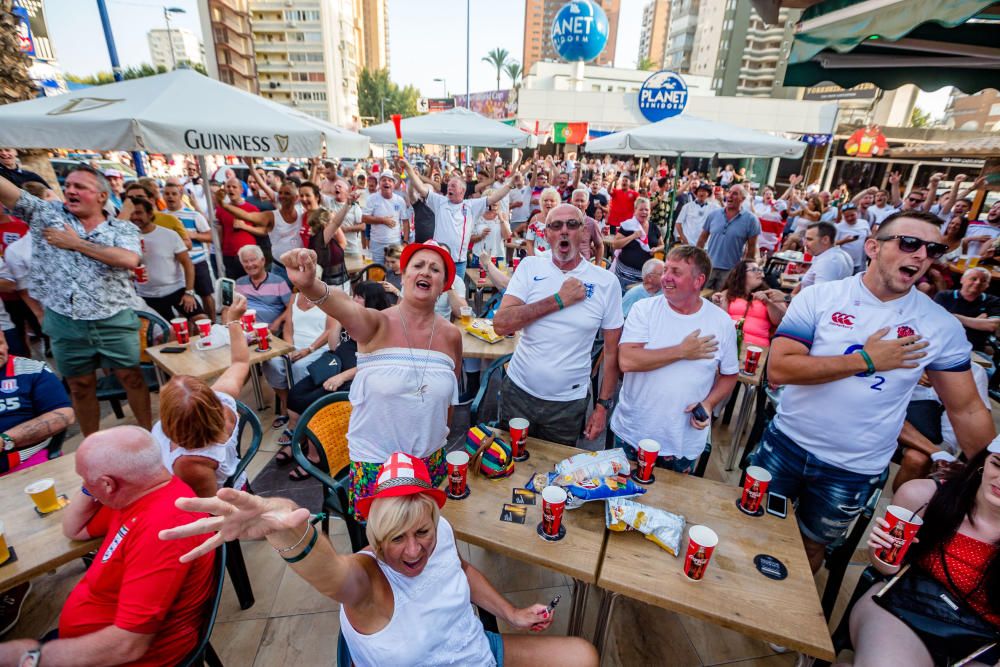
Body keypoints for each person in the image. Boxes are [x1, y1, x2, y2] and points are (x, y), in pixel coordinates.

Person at [159, 451, 599, 667]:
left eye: (421, 532)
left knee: (582, 654)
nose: (413, 550)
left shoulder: (440, 531)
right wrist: (287, 530)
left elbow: (459, 569)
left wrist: (513, 613)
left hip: (478, 651)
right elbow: (332, 575)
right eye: (395, 538)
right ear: (375, 534)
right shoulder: (367, 581)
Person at [755, 210, 996, 573]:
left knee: (810, 546)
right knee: (752, 522)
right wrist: (867, 360)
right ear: (872, 247)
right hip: (786, 442)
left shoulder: (939, 325)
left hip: (853, 466)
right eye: (909, 243)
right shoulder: (820, 297)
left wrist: (988, 469)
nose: (920, 256)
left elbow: (967, 410)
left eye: (932, 249)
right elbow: (781, 368)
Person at [0, 426, 214, 666]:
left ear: (109, 484)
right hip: (94, 638)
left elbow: (128, 646)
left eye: (85, 481)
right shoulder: (139, 492)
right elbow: (75, 530)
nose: (84, 488)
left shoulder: (164, 530)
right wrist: (92, 485)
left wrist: (31, 656)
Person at [279, 241, 462, 515]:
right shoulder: (377, 323)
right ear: (403, 275)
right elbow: (344, 308)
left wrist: (439, 442)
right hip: (378, 464)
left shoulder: (451, 335)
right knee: (381, 547)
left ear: (445, 284)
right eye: (418, 266)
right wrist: (310, 285)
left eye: (435, 269)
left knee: (421, 543)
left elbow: (449, 402)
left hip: (429, 461)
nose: (426, 272)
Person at [0, 165, 151, 436]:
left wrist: (76, 243)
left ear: (102, 196)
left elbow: (129, 259)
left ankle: (149, 436)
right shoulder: (47, 214)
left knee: (132, 377)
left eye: (80, 186)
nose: (70, 190)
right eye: (67, 185)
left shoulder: (122, 228)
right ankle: (92, 445)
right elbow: (9, 193)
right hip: (65, 320)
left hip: (113, 317)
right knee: (80, 387)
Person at [846, 441, 1000, 667]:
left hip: (983, 640)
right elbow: (884, 569)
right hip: (906, 607)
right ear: (983, 462)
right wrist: (882, 550)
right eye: (997, 465)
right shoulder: (925, 497)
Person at [493, 203, 623, 446]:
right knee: (510, 462)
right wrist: (558, 300)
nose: (564, 231)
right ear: (546, 234)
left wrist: (603, 406)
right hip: (519, 392)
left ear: (584, 232)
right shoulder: (530, 267)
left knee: (554, 473)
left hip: (568, 402)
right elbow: (501, 324)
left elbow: (612, 351)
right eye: (556, 225)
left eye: (572, 225)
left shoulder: (606, 282)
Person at [613, 246, 738, 473]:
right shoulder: (644, 309)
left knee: (669, 506)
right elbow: (628, 361)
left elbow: (730, 374)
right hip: (634, 432)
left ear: (698, 280)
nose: (666, 278)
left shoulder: (721, 322)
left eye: (676, 272)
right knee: (621, 503)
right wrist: (682, 351)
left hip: (682, 439)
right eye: (666, 270)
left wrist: (709, 404)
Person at [281, 281, 392, 479]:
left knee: (317, 404)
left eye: (359, 296)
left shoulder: (379, 325)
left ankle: (313, 457)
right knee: (296, 395)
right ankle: (298, 440)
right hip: (334, 364)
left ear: (371, 301)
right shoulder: (351, 319)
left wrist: (343, 376)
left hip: (356, 375)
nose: (353, 299)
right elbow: (334, 346)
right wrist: (339, 318)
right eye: (353, 295)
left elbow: (376, 362)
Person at [154, 293, 252, 498]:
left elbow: (210, 508)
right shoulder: (222, 402)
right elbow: (241, 362)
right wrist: (233, 319)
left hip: (218, 505)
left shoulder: (191, 463)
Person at [401, 155, 520, 279]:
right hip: (439, 260)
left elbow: (495, 197)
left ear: (462, 191)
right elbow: (420, 188)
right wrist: (409, 169)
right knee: (437, 295)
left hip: (459, 262)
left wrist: (510, 184)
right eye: (448, 186)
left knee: (457, 295)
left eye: (453, 186)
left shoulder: (471, 205)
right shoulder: (439, 201)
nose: (449, 188)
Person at [263, 267, 338, 443]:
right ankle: (286, 404)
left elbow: (330, 331)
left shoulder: (329, 298)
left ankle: (299, 417)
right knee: (271, 363)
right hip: (294, 346)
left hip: (319, 347)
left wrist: (309, 349)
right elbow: (288, 328)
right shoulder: (294, 298)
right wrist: (290, 348)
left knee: (299, 367)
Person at [128, 198, 202, 324]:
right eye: (131, 213)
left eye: (139, 213)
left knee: (200, 320)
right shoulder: (127, 238)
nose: (135, 217)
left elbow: (187, 263)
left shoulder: (169, 235)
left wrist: (189, 292)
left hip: (176, 289)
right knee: (165, 333)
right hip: (147, 295)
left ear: (150, 214)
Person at [216, 180, 303, 284]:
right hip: (279, 268)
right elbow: (247, 216)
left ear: (296, 197)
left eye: (287, 193)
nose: (282, 196)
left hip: (301, 268)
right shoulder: (271, 215)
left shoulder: (303, 213)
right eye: (280, 193)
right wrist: (224, 205)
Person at [163, 181, 215, 318]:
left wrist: (193, 235)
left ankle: (213, 323)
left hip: (197, 262)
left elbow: (211, 237)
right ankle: (190, 331)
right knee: (181, 299)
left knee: (206, 294)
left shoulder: (194, 215)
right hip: (174, 265)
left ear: (180, 195)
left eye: (174, 194)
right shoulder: (161, 217)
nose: (170, 197)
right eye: (167, 194)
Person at [697, 185, 760, 291]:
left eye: (735, 193)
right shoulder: (714, 215)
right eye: (729, 192)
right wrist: (698, 260)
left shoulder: (751, 220)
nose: (730, 196)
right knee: (701, 297)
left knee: (722, 302)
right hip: (709, 267)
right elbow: (702, 239)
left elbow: (751, 248)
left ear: (743, 199)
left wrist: (744, 270)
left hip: (731, 271)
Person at [711, 259, 786, 348]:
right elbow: (720, 322)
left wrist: (768, 303)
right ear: (741, 274)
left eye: (760, 270)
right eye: (754, 270)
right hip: (731, 343)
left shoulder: (770, 294)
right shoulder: (727, 294)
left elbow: (781, 321)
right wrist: (717, 305)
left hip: (758, 347)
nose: (759, 273)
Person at [933, 267, 1000, 353]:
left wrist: (953, 317)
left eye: (983, 281)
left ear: (987, 285)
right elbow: (936, 322)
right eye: (973, 279)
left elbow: (992, 325)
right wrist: (977, 322)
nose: (978, 282)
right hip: (942, 345)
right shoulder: (944, 296)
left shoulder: (993, 300)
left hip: (974, 349)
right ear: (962, 280)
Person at [228, 245, 291, 335]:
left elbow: (291, 307)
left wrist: (278, 321)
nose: (250, 264)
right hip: (245, 331)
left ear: (263, 261)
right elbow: (233, 307)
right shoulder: (239, 283)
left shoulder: (278, 282)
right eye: (245, 261)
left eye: (253, 260)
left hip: (269, 332)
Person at [611, 197, 664, 292]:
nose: (644, 212)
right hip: (624, 276)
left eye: (646, 209)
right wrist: (632, 236)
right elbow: (615, 245)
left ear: (650, 211)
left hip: (644, 276)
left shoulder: (653, 227)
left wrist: (656, 249)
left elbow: (662, 245)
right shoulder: (628, 226)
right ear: (635, 210)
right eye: (641, 209)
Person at [119, 181, 191, 249]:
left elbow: (188, 244)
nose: (135, 200)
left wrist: (164, 246)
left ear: (151, 200)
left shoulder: (170, 219)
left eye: (140, 197)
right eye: (130, 198)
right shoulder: (122, 222)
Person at [216, 178, 259, 279]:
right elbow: (220, 233)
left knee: (250, 285)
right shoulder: (220, 209)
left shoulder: (252, 209)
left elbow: (262, 232)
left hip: (249, 256)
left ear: (241, 190)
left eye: (234, 187)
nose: (231, 189)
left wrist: (244, 226)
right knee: (231, 287)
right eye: (228, 187)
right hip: (228, 255)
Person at [795, 221, 854, 294]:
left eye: (809, 239)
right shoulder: (831, 254)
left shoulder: (828, 262)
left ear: (825, 240)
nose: (805, 244)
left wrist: (787, 298)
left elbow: (820, 298)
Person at [361, 171, 406, 265]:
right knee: (377, 273)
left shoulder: (400, 200)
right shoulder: (372, 198)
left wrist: (405, 242)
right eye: (383, 180)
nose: (386, 182)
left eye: (390, 180)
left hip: (395, 243)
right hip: (377, 243)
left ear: (394, 185)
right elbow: (364, 218)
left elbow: (405, 222)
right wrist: (383, 220)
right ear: (379, 184)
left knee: (394, 273)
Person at [570, 187, 604, 264]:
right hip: (564, 266)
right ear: (571, 202)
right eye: (577, 200)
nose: (579, 204)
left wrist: (597, 266)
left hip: (583, 266)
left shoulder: (592, 223)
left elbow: (600, 246)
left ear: (587, 204)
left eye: (582, 201)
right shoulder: (563, 220)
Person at [835, 202, 871, 274]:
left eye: (852, 215)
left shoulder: (864, 223)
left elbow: (868, 237)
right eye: (846, 216)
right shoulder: (838, 227)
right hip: (845, 263)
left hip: (861, 262)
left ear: (857, 213)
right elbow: (832, 244)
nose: (850, 218)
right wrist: (844, 241)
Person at [524, 187, 560, 256]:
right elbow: (529, 242)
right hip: (537, 259)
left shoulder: (561, 220)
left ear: (557, 203)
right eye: (545, 200)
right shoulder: (535, 219)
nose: (548, 203)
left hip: (555, 260)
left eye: (552, 201)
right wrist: (533, 258)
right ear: (541, 202)